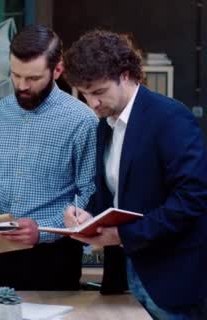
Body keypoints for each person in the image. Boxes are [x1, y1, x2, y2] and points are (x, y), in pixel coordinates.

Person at [63, 30, 207, 319]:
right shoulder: (105, 125)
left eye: (99, 91)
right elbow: (117, 195)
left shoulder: (170, 118)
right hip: (124, 278)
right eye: (85, 93)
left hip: (172, 280)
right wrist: (88, 218)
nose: (92, 104)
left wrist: (123, 235)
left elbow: (192, 199)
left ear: (126, 75)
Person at [0, 25, 98, 290]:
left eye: (33, 78)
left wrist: (44, 230)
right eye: (16, 75)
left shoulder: (82, 122)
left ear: (57, 70)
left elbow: (89, 193)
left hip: (55, 261)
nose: (22, 86)